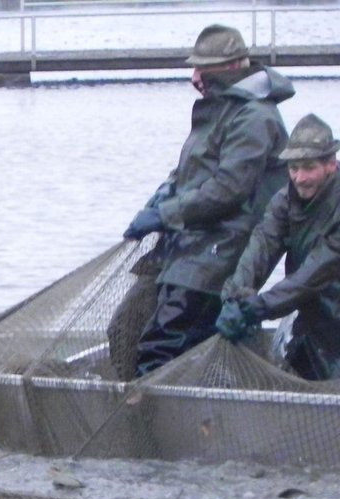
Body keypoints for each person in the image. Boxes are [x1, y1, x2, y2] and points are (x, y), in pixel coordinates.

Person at [122, 23, 294, 378]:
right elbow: (191, 171)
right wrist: (164, 193)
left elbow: (228, 190)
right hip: (188, 246)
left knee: (161, 348)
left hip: (221, 254)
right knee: (127, 329)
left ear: (232, 68)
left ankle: (152, 425)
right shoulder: (220, 109)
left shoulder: (255, 117)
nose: (195, 76)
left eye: (204, 68)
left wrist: (164, 215)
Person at [216, 114, 340, 380]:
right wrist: (234, 297)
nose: (299, 177)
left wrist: (260, 307)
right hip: (313, 315)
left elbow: (317, 272)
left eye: (309, 167)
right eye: (293, 168)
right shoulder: (284, 200)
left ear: (331, 164)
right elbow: (261, 246)